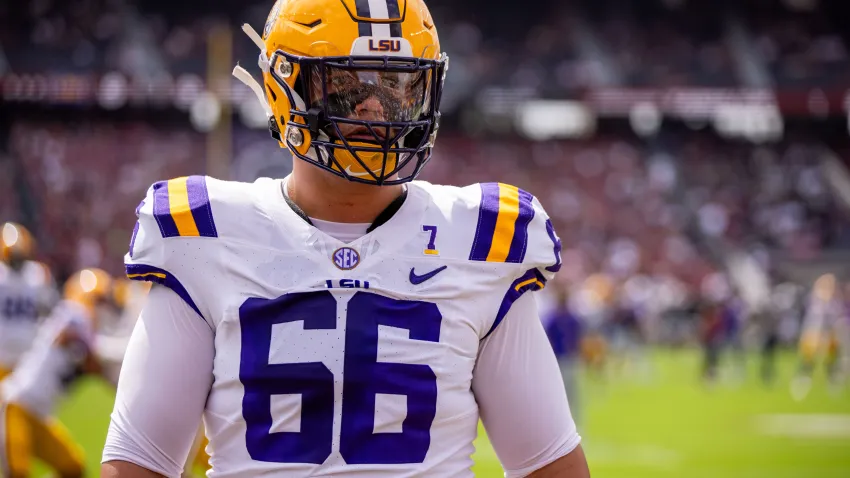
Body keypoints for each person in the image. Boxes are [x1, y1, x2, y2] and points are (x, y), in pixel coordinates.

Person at [101, 0, 589, 477]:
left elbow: (547, 464)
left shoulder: (482, 241)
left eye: (398, 86)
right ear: (284, 88)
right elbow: (139, 463)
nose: (377, 109)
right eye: (347, 84)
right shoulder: (203, 236)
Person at [0, 268, 117, 477]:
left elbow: (91, 363)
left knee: (72, 467)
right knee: (18, 473)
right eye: (101, 302)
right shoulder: (74, 314)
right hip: (16, 406)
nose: (104, 310)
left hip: (39, 415)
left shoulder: (77, 322)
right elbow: (85, 352)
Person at [0, 222, 58, 381]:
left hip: (18, 351)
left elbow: (49, 310)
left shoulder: (37, 274)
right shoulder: (38, 273)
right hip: (19, 349)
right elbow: (49, 311)